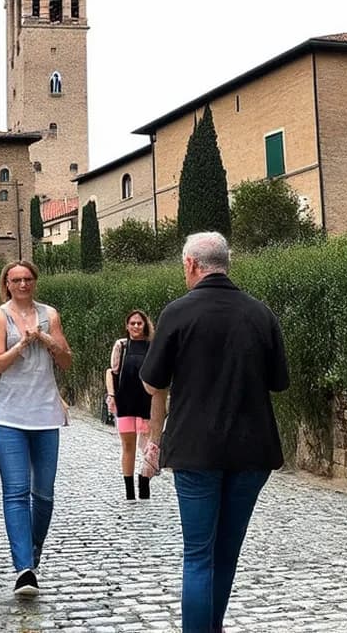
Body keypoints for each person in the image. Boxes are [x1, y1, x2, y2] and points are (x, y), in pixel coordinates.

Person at [139, 232, 289, 633]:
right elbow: (279, 381)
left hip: (195, 448)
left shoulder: (177, 313)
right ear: (228, 262)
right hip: (252, 450)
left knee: (198, 555)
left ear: (191, 265)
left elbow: (152, 381)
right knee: (225, 554)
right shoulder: (261, 314)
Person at [0, 260, 71, 598]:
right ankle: (24, 569)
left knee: (44, 495)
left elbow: (66, 361)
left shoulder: (50, 314)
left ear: (35, 282)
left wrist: (48, 341)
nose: (22, 285)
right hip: (8, 416)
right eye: (15, 280)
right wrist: (20, 345)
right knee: (16, 491)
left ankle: (32, 549)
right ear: (6, 284)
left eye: (27, 279)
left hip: (45, 413)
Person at [105, 310, 155, 500]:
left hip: (146, 404)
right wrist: (111, 395)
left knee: (149, 446)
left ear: (145, 325)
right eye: (132, 323)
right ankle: (129, 492)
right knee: (128, 446)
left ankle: (144, 482)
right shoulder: (122, 346)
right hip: (125, 401)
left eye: (139, 323)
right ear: (127, 326)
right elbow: (112, 371)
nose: (135, 326)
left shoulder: (152, 346)